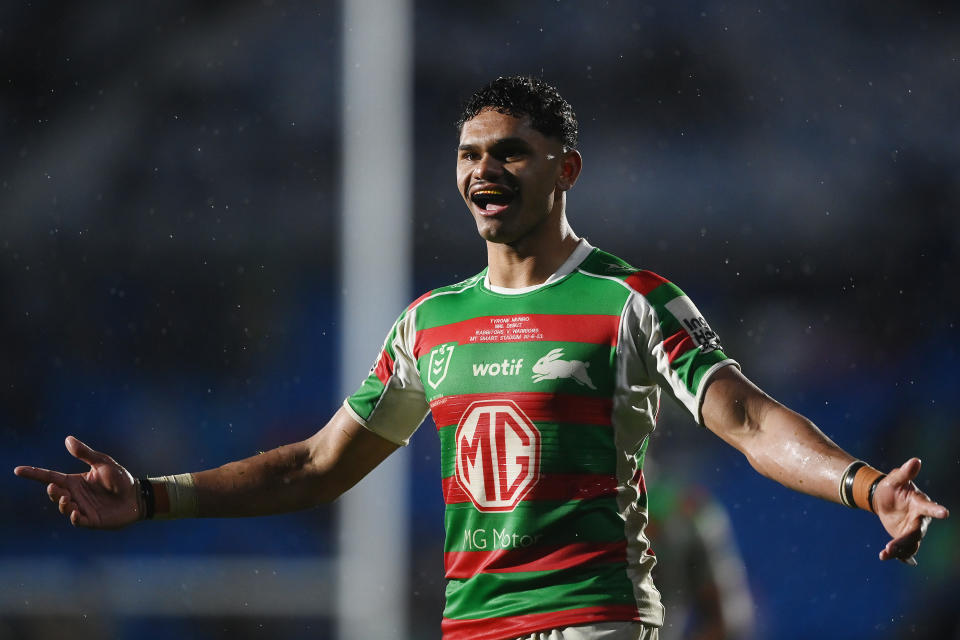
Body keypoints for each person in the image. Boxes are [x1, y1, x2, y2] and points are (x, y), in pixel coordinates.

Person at [14, 76, 949, 640]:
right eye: (468, 155)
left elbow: (745, 419)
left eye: (510, 153)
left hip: (594, 622)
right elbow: (314, 464)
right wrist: (151, 496)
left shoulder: (626, 299)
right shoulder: (430, 323)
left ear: (565, 170)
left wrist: (867, 485)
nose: (483, 172)